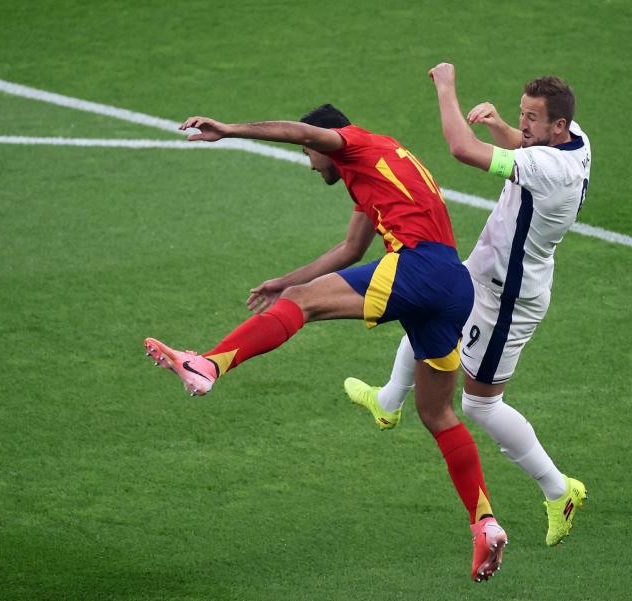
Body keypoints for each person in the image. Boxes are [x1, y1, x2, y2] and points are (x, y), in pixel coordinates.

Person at [143, 103, 507, 582]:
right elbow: (351, 249)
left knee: (305, 304)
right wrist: (285, 282)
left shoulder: (351, 143)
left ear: (321, 142)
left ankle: (208, 365)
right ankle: (485, 522)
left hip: (419, 266)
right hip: (452, 286)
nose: (308, 161)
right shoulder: (377, 164)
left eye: (308, 152)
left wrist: (230, 129)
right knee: (437, 413)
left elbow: (301, 131)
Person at [344, 63, 591, 547]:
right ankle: (390, 402)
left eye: (531, 118)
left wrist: (448, 88)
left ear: (557, 126)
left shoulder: (553, 168)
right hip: (486, 271)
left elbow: (462, 149)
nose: (523, 124)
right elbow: (524, 145)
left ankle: (559, 489)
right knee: (430, 301)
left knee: (480, 404)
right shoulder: (571, 138)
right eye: (522, 113)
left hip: (509, 298)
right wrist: (504, 125)